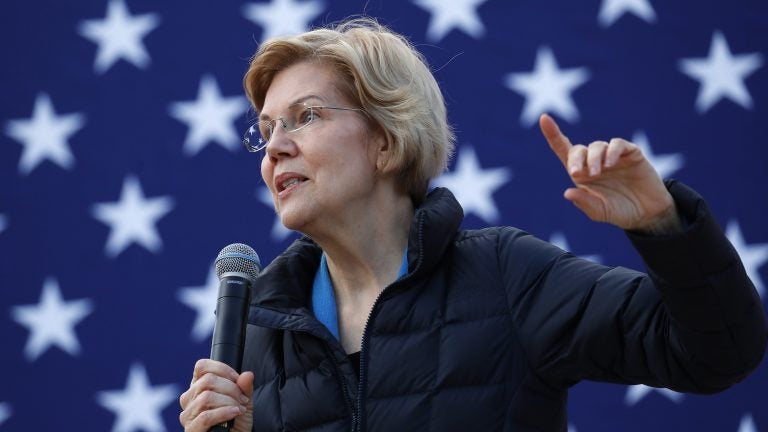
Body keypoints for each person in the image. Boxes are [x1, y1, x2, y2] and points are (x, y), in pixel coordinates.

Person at [179, 18, 767, 432]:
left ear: (386, 142)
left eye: (304, 117)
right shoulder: (262, 333)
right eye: (265, 128)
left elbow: (717, 353)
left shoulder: (506, 276)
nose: (274, 148)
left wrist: (664, 226)